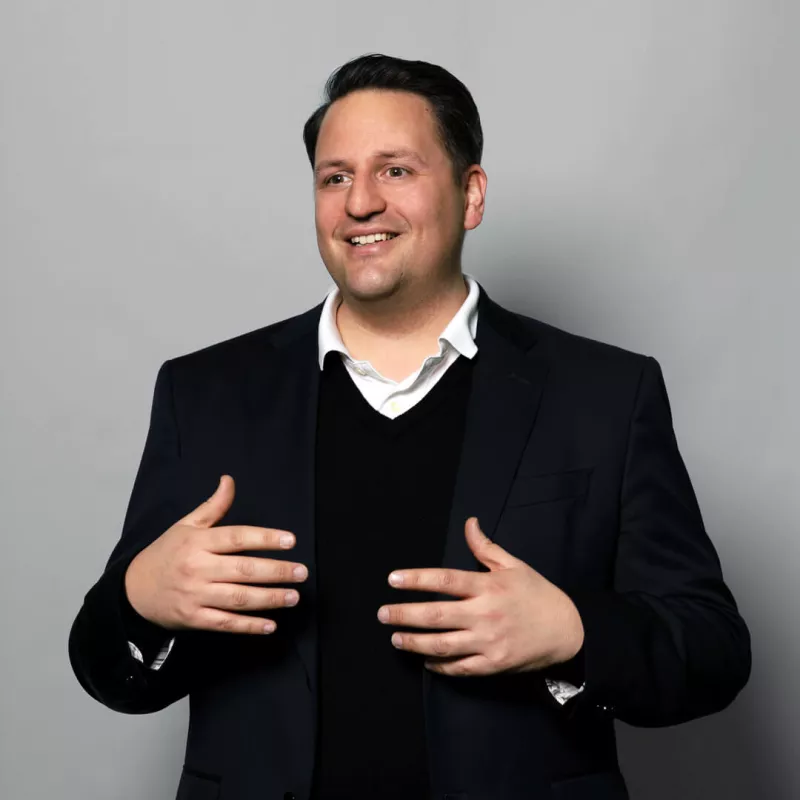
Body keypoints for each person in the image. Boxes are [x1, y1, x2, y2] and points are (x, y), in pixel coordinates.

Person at [68, 53, 751, 800]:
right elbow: (113, 674)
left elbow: (712, 652)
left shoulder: (606, 394)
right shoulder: (204, 394)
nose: (360, 202)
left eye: (395, 171)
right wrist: (138, 597)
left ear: (471, 193)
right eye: (335, 177)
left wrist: (574, 633)